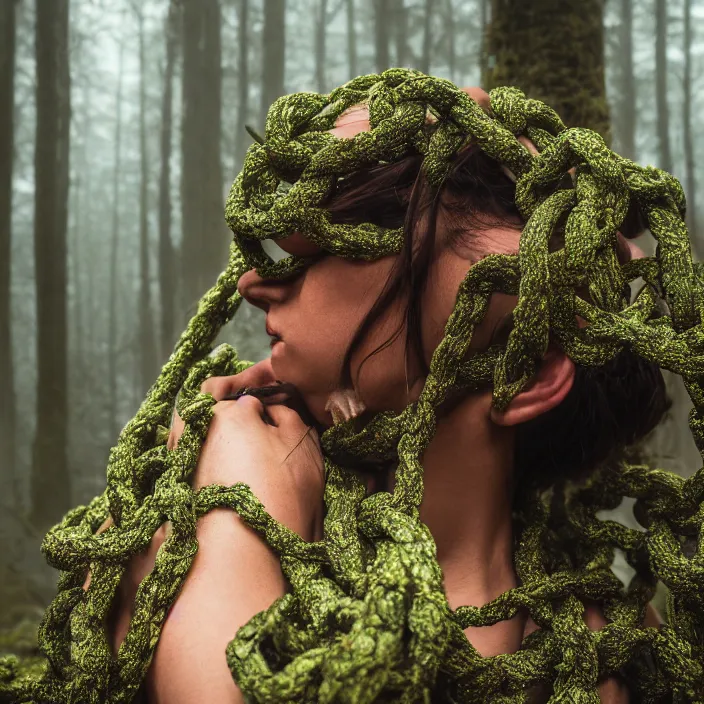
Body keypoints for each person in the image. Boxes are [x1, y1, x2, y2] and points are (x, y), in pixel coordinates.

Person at [4, 71, 701, 704]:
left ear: (527, 368)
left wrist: (235, 524)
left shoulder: (592, 652)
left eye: (355, 230)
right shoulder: (153, 539)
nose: (253, 283)